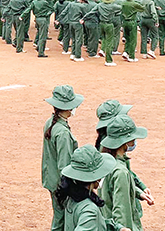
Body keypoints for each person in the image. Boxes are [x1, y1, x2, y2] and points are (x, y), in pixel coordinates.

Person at [56, 145, 130, 231]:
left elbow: (94, 223)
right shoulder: (90, 210)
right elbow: (89, 220)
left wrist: (116, 227)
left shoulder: (72, 197)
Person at [42, 84, 83, 231]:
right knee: (62, 222)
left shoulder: (51, 122)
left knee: (58, 217)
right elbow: (64, 165)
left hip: (51, 179)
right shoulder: (63, 134)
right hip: (61, 184)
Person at [99, 115, 149, 231]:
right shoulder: (120, 171)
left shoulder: (107, 161)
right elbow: (121, 210)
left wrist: (138, 192)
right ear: (126, 141)